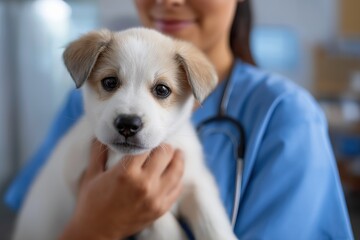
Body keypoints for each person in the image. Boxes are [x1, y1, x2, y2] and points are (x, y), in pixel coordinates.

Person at [5, 0, 354, 239]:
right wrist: (91, 227)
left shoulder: (287, 115)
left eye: (161, 90)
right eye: (110, 84)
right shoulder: (78, 103)